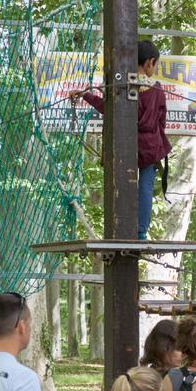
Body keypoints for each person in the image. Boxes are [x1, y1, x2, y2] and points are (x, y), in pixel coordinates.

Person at [72, 40, 170, 241]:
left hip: (124, 146)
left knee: (122, 185)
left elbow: (107, 107)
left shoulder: (122, 86)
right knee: (145, 188)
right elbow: (161, 121)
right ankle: (140, 233)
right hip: (150, 148)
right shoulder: (157, 90)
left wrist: (86, 96)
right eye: (156, 64)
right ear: (149, 62)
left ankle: (120, 228)